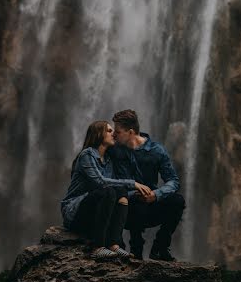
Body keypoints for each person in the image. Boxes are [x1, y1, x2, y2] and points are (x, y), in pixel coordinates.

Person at [60, 120, 152, 260]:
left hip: (94, 212)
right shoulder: (87, 155)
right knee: (108, 190)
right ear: (98, 134)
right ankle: (98, 247)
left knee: (120, 191)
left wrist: (141, 193)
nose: (113, 133)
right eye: (109, 131)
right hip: (75, 213)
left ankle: (114, 245)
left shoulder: (108, 160)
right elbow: (100, 182)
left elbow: (117, 186)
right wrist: (133, 183)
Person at [110, 109, 185, 261]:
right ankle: (133, 251)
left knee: (177, 201)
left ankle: (160, 247)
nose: (113, 135)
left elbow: (173, 181)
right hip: (123, 210)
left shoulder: (157, 151)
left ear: (130, 132)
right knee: (135, 199)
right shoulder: (114, 150)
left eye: (117, 132)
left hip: (149, 208)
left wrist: (156, 195)